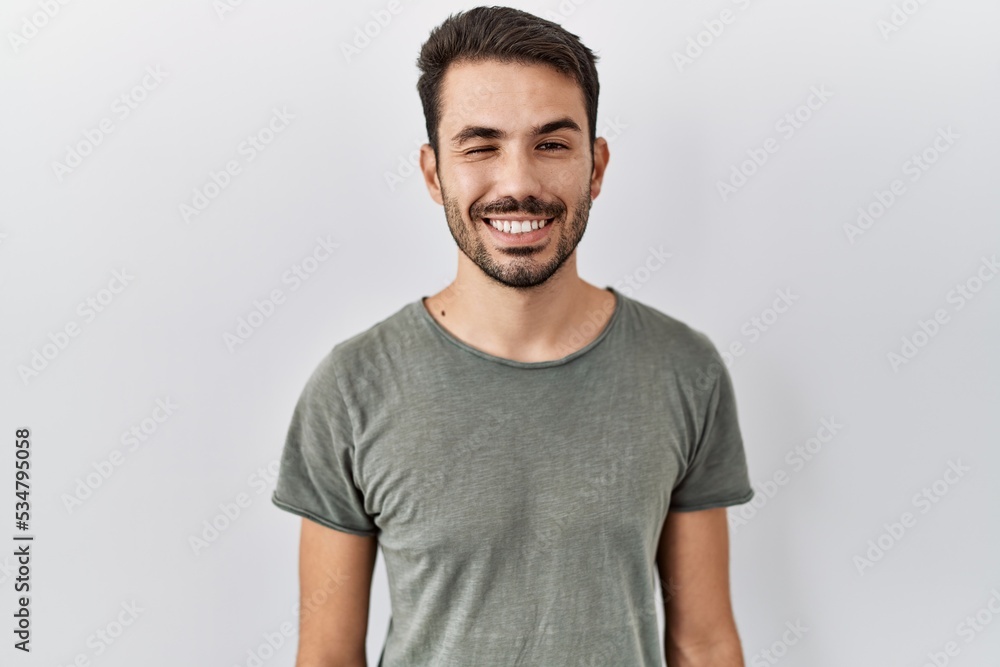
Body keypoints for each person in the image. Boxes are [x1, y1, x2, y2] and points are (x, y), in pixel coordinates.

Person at [271, 6, 754, 666]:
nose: (519, 183)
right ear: (435, 172)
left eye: (552, 144)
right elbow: (326, 655)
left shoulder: (682, 369)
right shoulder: (352, 386)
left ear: (597, 166)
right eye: (480, 146)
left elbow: (703, 641)